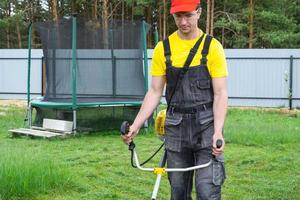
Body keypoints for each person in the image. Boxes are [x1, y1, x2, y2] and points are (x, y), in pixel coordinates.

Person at [122, 0, 228, 199]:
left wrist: (218, 131)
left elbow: (221, 93)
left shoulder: (212, 47)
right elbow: (154, 91)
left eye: (188, 15)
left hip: (206, 127)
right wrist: (136, 125)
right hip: (176, 128)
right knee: (178, 191)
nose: (183, 22)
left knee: (207, 191)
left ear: (199, 12)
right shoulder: (163, 48)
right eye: (178, 16)